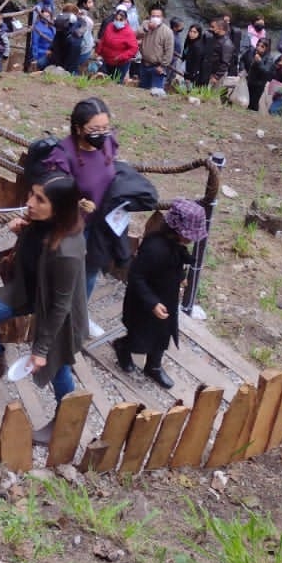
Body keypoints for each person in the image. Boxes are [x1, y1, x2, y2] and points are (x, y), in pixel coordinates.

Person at [0, 171, 87, 445]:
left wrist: (40, 350)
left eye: (40, 199)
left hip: (56, 308)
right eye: (31, 195)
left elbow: (60, 305)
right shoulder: (41, 220)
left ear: (58, 209)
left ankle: (65, 420)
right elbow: (33, 249)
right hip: (27, 289)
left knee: (57, 363)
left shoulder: (68, 251)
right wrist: (22, 231)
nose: (30, 202)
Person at [42, 98, 120, 333]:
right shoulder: (63, 154)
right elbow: (55, 189)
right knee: (67, 275)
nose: (101, 134)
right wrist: (76, 202)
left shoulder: (107, 144)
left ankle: (80, 317)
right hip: (73, 226)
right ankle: (58, 321)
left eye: (105, 128)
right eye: (94, 129)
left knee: (91, 271)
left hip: (100, 222)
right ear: (78, 128)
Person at [112, 198, 207, 390]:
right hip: (144, 303)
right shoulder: (154, 247)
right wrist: (152, 302)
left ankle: (153, 366)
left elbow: (175, 263)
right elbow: (137, 277)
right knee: (141, 335)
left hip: (167, 298)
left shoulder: (176, 246)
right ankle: (123, 347)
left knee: (163, 335)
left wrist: (180, 277)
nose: (192, 239)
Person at [136, 6, 173, 96]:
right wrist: (147, 28)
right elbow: (136, 35)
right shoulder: (145, 24)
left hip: (157, 66)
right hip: (144, 63)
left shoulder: (167, 31)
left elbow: (169, 51)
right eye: (153, 16)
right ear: (150, 16)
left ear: (162, 17)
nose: (155, 18)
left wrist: (163, 66)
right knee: (142, 90)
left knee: (156, 93)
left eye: (158, 16)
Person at [97, 7, 138, 82]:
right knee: (102, 79)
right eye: (116, 19)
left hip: (120, 63)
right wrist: (98, 52)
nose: (118, 21)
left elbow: (133, 49)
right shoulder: (109, 26)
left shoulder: (129, 32)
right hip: (107, 59)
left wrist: (121, 57)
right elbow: (103, 40)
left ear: (125, 20)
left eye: (121, 20)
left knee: (116, 82)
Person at [243, 37, 275, 113]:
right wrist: (242, 69)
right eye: (258, 45)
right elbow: (242, 59)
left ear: (266, 48)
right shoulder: (251, 51)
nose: (258, 48)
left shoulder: (269, 58)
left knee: (253, 104)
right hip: (248, 81)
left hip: (258, 85)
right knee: (245, 100)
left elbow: (267, 71)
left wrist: (259, 62)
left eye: (262, 47)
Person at [206, 17, 238, 87]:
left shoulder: (227, 44)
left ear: (220, 28)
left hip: (217, 75)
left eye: (214, 27)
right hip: (210, 71)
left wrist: (216, 77)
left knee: (214, 95)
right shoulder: (216, 38)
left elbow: (225, 63)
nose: (212, 29)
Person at [27, 4, 56, 71]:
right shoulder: (37, 27)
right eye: (44, 16)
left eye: (48, 16)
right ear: (40, 17)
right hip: (41, 53)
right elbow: (35, 43)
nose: (46, 18)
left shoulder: (52, 27)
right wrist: (35, 57)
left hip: (50, 54)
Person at [183, 23, 210, 88]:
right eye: (191, 31)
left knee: (189, 88)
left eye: (195, 32)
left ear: (199, 33)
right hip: (186, 69)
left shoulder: (198, 46)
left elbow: (197, 63)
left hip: (192, 74)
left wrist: (191, 75)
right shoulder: (189, 41)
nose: (192, 34)